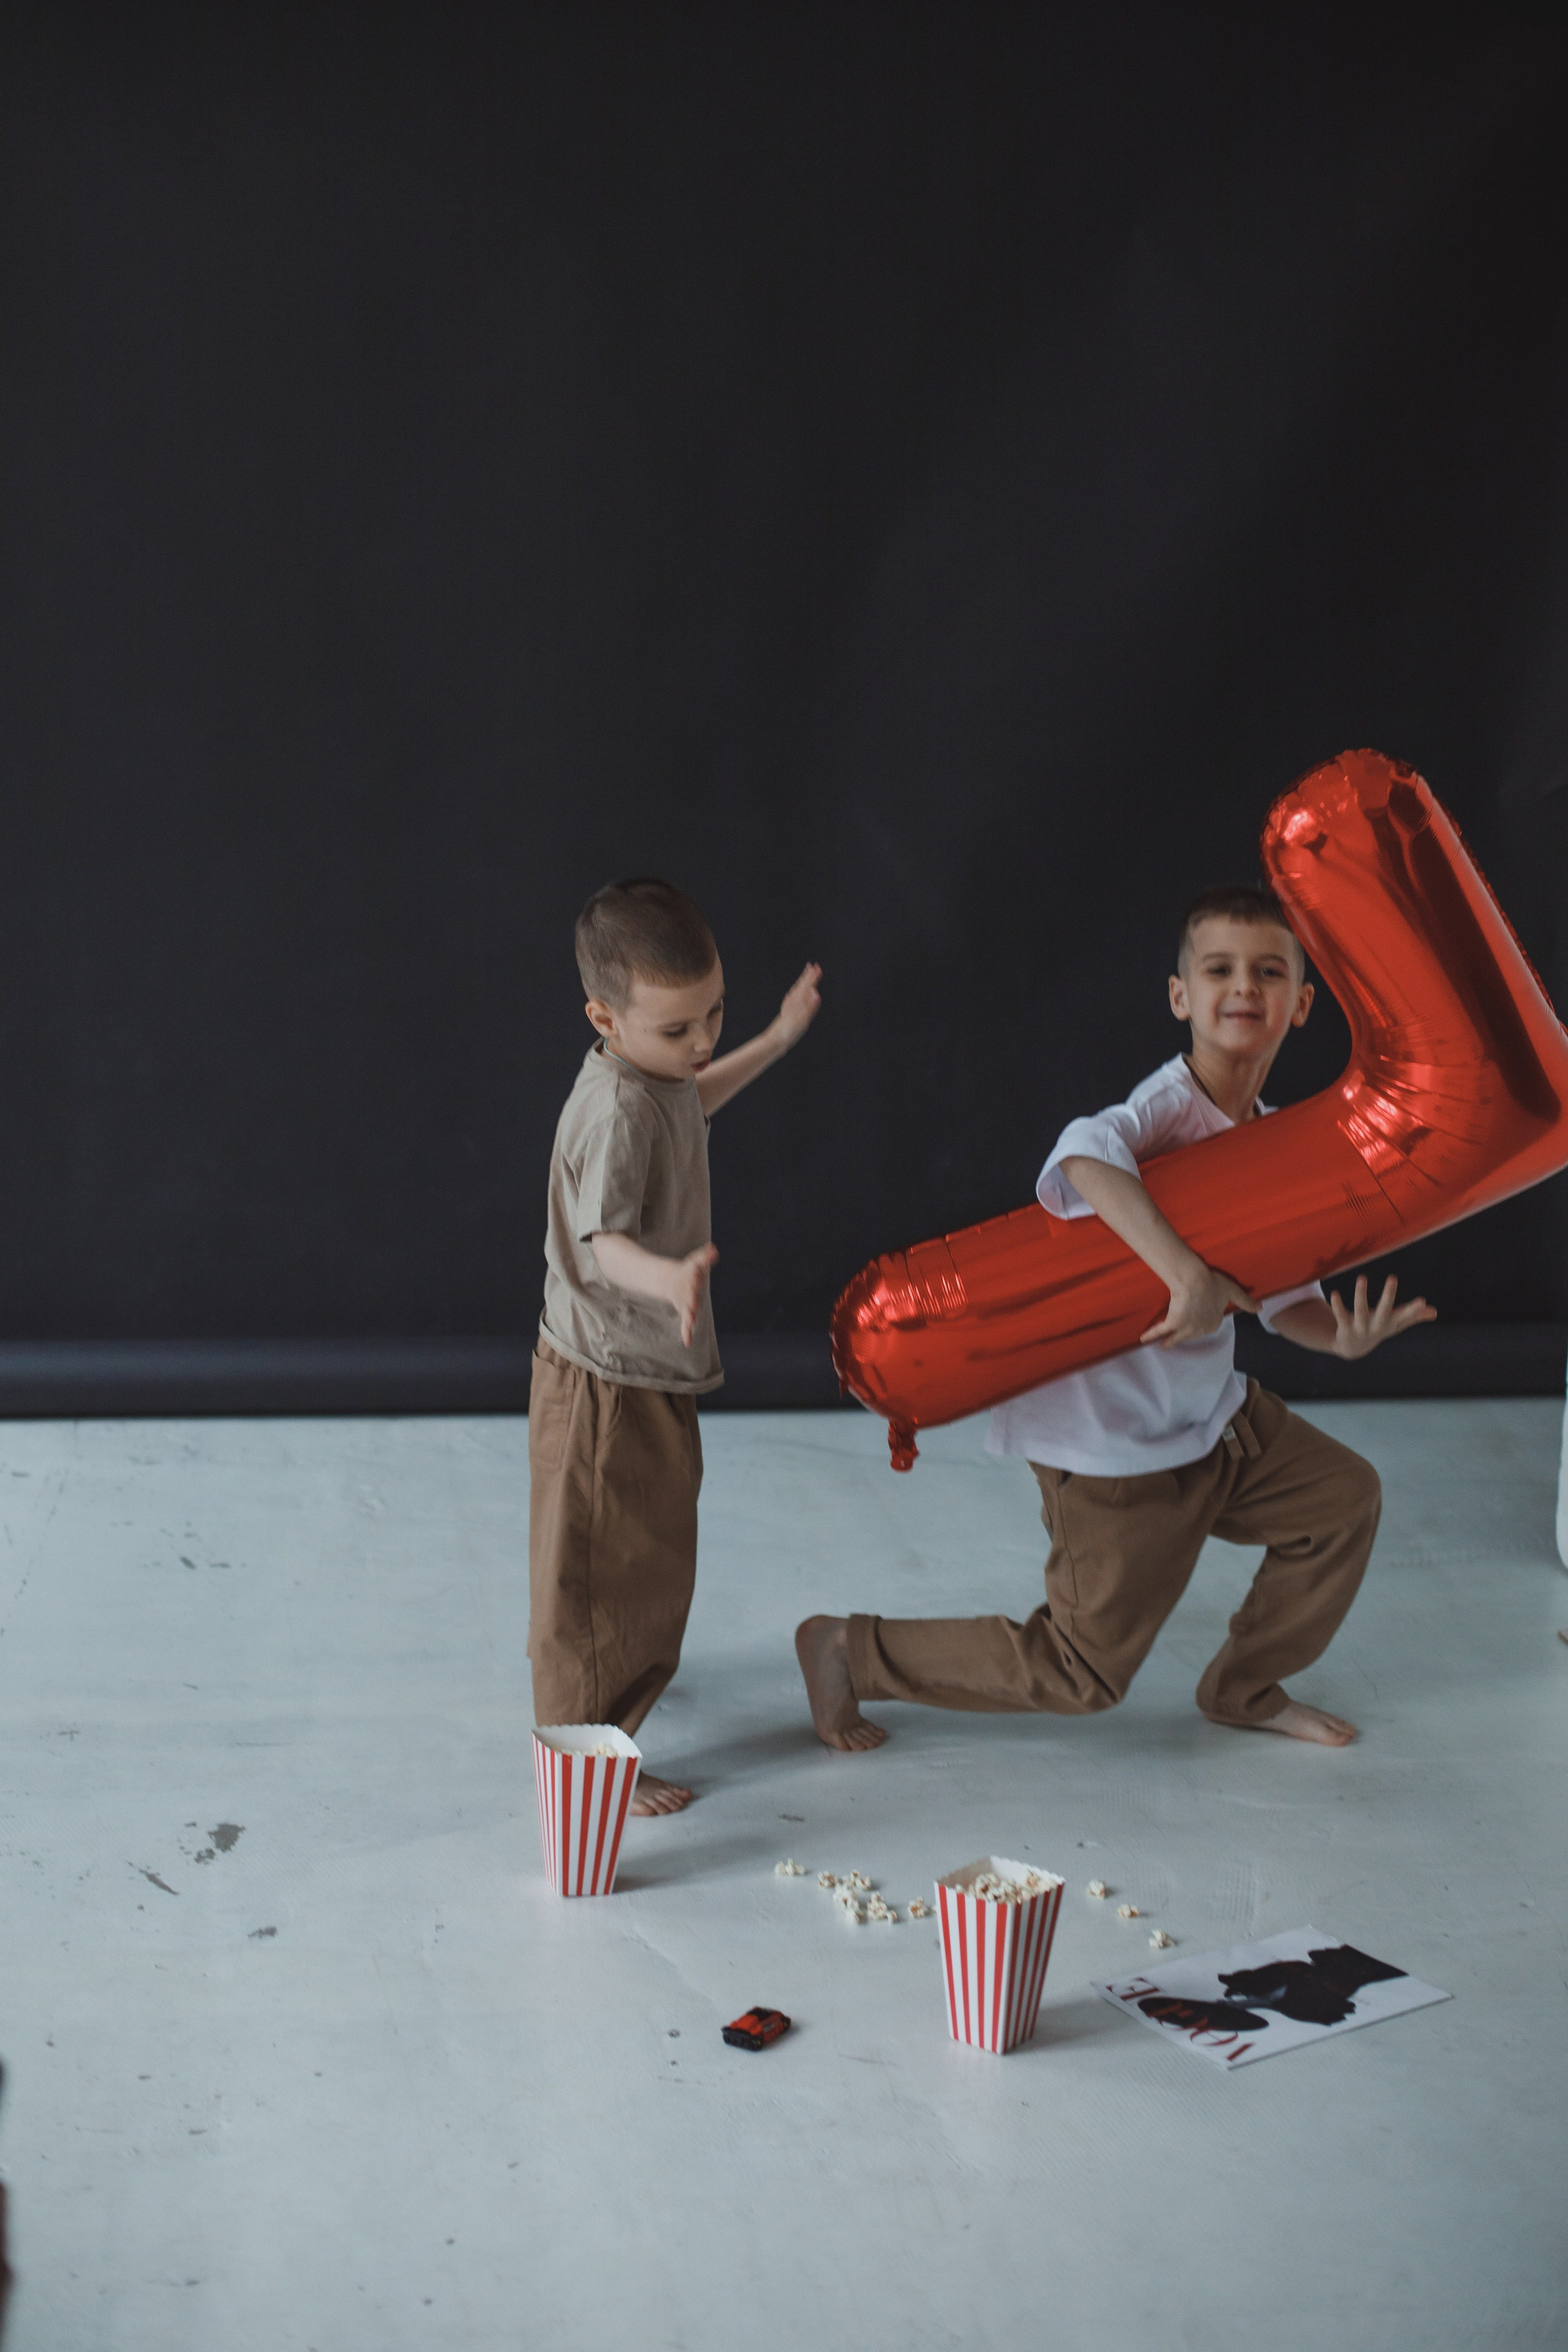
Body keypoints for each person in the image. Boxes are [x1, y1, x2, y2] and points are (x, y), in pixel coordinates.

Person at [796, 884, 1434, 1756]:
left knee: (1343, 1499)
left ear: (1302, 1004)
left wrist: (1341, 1339)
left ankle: (1245, 1689)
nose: (1243, 987)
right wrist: (1184, 1274)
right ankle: (849, 1648)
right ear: (1182, 999)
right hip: (1114, 1444)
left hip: (1215, 1422)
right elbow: (1079, 1152)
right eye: (1219, 970)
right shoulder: (1170, 1106)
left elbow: (1287, 1302)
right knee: (1081, 1672)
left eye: (1269, 971)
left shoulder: (1279, 1138)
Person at [532, 877, 821, 1814]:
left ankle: (617, 1718)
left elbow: (694, 1097)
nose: (700, 1043)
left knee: (651, 1558)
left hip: (648, 1369)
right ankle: (583, 1764)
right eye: (677, 1030)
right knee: (594, 1584)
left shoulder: (658, 1078)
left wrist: (773, 1040)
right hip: (602, 1381)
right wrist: (666, 1277)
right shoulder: (614, 1111)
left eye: (715, 1014)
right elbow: (600, 1240)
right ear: (603, 1019)